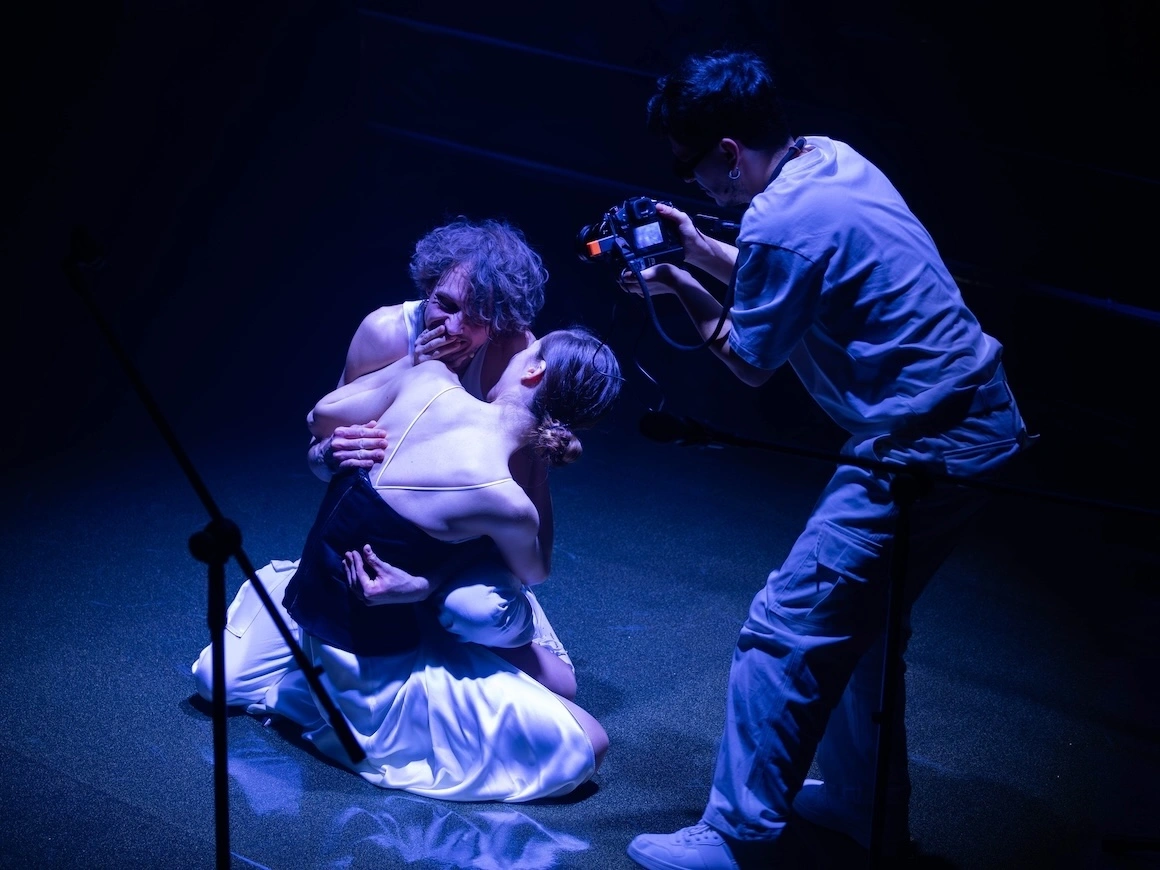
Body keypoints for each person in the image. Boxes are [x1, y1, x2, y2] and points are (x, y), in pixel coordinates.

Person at [621, 49, 1035, 868]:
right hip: (977, 420)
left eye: (689, 166)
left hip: (924, 443)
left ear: (728, 152)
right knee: (860, 628)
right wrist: (696, 249)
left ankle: (735, 837)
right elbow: (792, 276)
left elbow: (749, 356)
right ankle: (857, 801)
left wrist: (678, 289)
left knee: (787, 626)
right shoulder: (832, 159)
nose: (692, 182)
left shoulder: (777, 221)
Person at [193, 326, 622, 801]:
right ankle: (473, 641)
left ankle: (462, 632)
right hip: (373, 669)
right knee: (589, 742)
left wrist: (412, 362)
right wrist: (539, 456)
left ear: (534, 370)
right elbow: (536, 571)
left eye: (530, 350)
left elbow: (321, 415)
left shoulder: (427, 380)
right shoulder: (510, 504)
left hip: (317, 608)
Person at [291, 218, 577, 695]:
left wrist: (427, 581)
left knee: (479, 615)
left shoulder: (514, 357)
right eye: (444, 304)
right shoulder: (385, 333)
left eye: (477, 317)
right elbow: (319, 445)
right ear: (427, 287)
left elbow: (504, 512)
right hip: (384, 530)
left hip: (463, 544)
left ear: (501, 322)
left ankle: (503, 632)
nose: (453, 327)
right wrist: (328, 454)